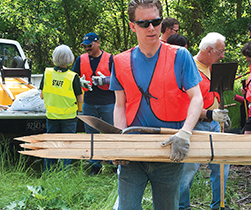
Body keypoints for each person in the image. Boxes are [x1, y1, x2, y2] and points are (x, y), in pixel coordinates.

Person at [110, 0, 203, 209]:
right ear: (133, 26)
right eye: (144, 23)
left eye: (156, 21)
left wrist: (185, 133)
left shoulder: (180, 56)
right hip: (133, 150)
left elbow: (196, 98)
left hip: (169, 148)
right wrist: (119, 140)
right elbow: (119, 105)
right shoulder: (120, 61)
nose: (151, 28)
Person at [177, 32, 232, 210]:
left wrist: (220, 113)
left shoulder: (212, 66)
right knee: (187, 170)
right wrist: (210, 115)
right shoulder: (189, 67)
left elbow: (214, 94)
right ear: (208, 50)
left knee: (222, 165)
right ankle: (182, 207)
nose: (222, 56)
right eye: (220, 52)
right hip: (194, 125)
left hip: (214, 124)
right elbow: (185, 106)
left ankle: (219, 206)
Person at [72, 32, 115, 174]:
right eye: (84, 46)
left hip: (108, 102)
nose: (86, 49)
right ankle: (94, 166)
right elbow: (72, 77)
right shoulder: (81, 59)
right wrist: (79, 82)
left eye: (89, 45)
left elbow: (120, 78)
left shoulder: (110, 59)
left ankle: (114, 164)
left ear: (97, 43)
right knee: (91, 134)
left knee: (111, 133)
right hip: (89, 102)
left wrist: (107, 80)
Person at [40, 44, 83, 171]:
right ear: (70, 58)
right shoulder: (72, 76)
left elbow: (42, 95)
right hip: (69, 117)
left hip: (51, 115)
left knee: (51, 144)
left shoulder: (47, 73)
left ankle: (48, 171)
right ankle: (63, 172)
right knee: (67, 145)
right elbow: (80, 99)